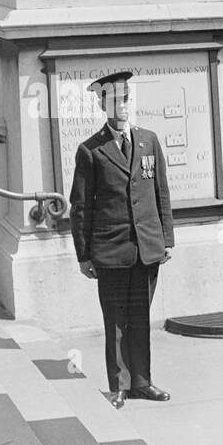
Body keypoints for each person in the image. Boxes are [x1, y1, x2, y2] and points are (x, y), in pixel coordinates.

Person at [69, 71, 173, 409]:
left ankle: (142, 381)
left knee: (141, 316)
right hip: (111, 251)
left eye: (127, 99)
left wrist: (166, 239)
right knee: (115, 319)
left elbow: (161, 193)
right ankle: (119, 385)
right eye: (115, 101)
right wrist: (84, 255)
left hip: (147, 248)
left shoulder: (148, 141)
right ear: (103, 104)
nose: (122, 107)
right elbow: (81, 206)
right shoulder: (91, 151)